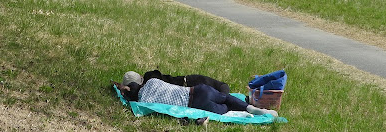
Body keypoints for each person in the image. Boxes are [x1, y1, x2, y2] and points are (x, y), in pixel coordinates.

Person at [117, 71, 277, 118]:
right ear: (140, 81)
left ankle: (242, 113)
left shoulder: (144, 102)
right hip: (198, 90)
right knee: (226, 97)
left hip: (196, 104)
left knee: (225, 110)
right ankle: (251, 108)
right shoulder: (152, 82)